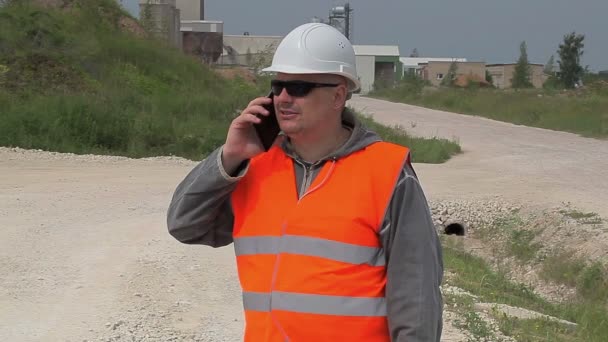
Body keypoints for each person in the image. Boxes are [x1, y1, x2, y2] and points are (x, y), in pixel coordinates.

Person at [167, 22, 443, 342]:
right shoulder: (255, 168)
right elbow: (184, 224)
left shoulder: (387, 172)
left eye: (298, 87)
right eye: (277, 86)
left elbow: (416, 295)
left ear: (338, 95)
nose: (283, 98)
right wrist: (229, 156)